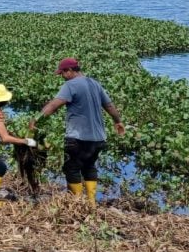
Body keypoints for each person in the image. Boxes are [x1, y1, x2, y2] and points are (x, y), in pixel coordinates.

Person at [29, 57, 125, 205]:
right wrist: (118, 121)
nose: (62, 76)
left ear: (70, 71)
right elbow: (110, 106)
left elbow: (54, 105)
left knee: (71, 168)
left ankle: (78, 202)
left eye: (62, 73)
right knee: (89, 166)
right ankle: (91, 203)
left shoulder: (70, 85)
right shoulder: (95, 83)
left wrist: (36, 119)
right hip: (98, 138)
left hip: (78, 138)